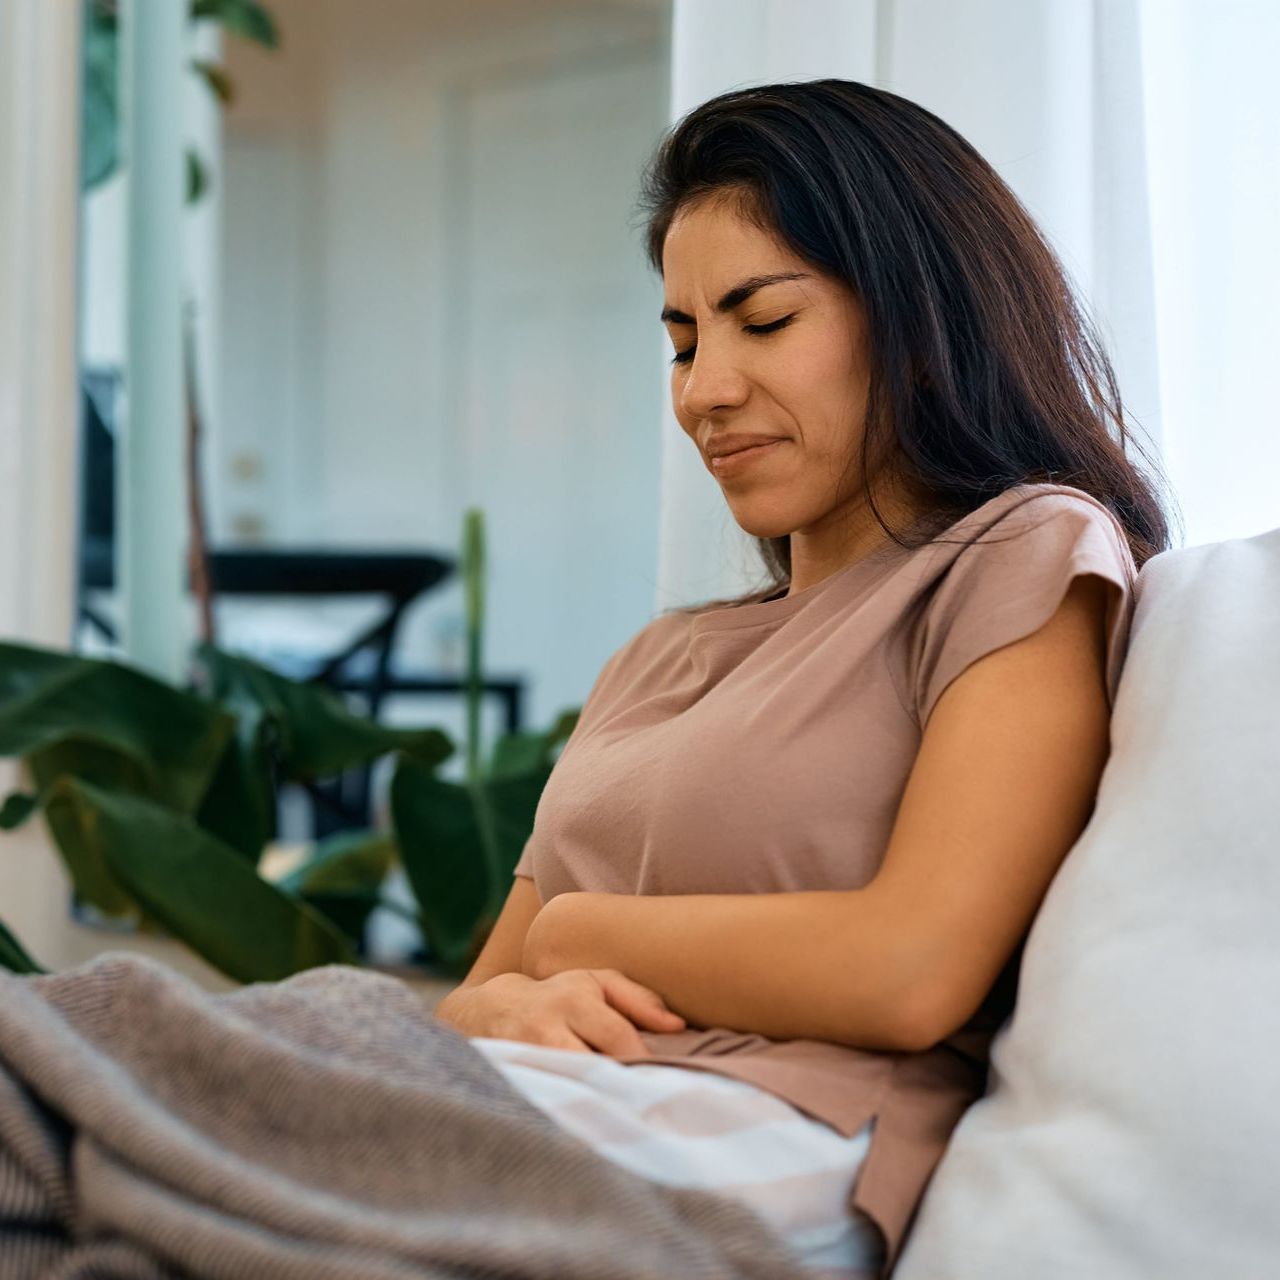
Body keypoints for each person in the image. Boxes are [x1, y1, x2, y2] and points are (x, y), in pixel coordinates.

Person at [434, 78, 1177, 1279]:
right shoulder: (656, 658)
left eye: (760, 321)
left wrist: (573, 932)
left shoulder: (1018, 554)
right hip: (528, 1100)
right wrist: (491, 1011)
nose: (701, 390)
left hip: (764, 1136)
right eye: (681, 341)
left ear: (915, 312)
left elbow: (911, 970)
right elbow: (477, 990)